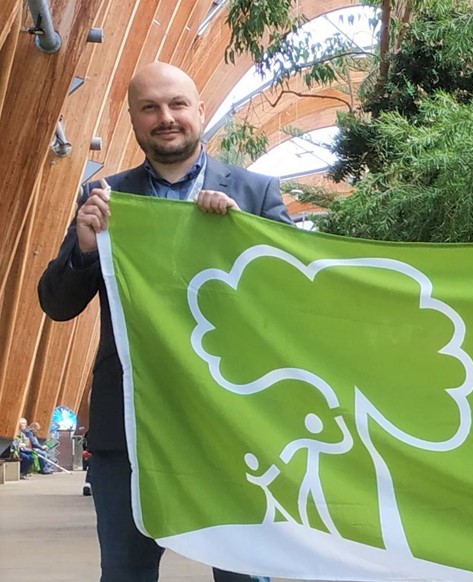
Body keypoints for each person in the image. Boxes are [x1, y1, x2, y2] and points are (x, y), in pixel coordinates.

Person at [38, 62, 292, 582]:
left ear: (200, 111)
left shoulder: (255, 194)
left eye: (177, 104)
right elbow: (57, 304)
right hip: (130, 434)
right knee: (126, 574)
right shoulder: (106, 199)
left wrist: (243, 236)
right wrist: (86, 247)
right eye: (150, 107)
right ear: (132, 118)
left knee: (246, 573)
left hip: (232, 427)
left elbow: (294, 302)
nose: (166, 117)